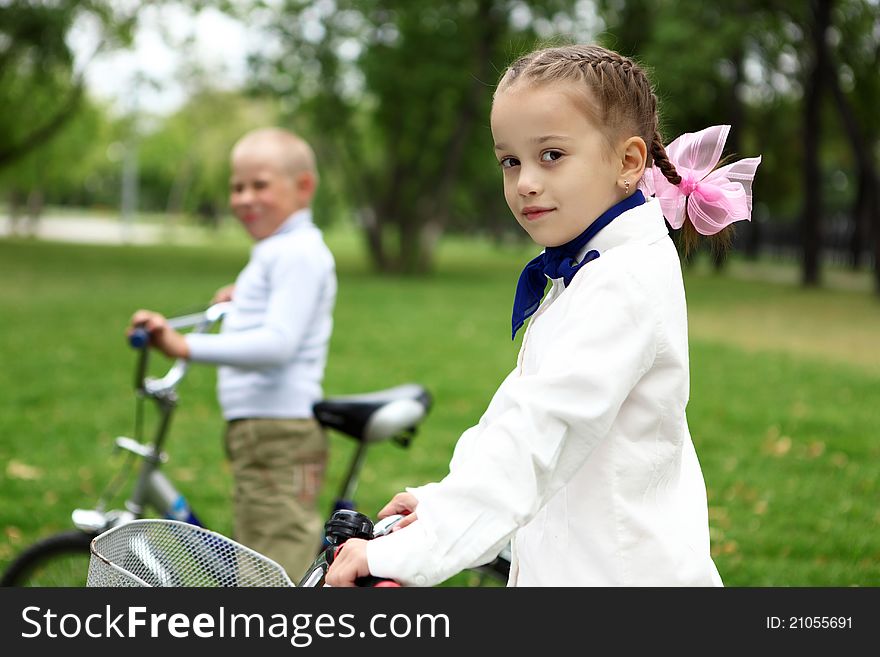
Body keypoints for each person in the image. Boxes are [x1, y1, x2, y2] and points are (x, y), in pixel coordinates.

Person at [326, 44, 760, 587]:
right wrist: (439, 506)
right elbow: (520, 406)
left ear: (627, 163)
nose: (525, 181)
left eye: (551, 155)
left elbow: (540, 433)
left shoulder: (621, 281)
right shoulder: (594, 266)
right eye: (510, 160)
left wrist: (406, 554)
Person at [128, 127, 338, 579]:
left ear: (303, 187)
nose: (244, 197)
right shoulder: (279, 250)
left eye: (259, 185)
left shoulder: (298, 252)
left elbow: (278, 343)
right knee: (257, 555)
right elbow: (274, 311)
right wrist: (241, 299)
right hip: (264, 432)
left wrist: (184, 346)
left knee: (271, 571)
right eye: (237, 186)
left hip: (278, 433)